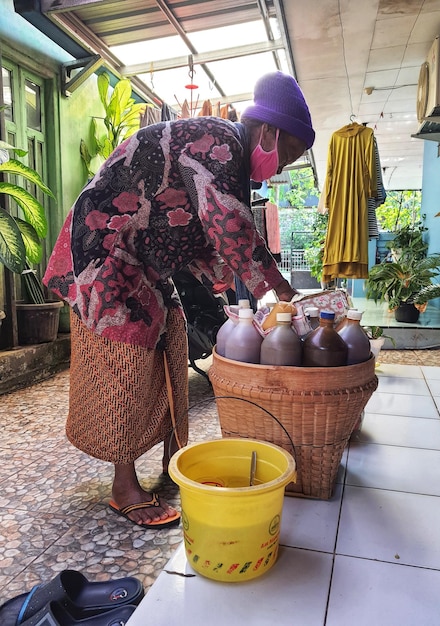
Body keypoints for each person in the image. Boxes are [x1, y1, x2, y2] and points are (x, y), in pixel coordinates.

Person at [43, 71, 315, 529]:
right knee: (124, 358)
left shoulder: (230, 157)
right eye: (287, 153)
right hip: (105, 251)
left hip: (144, 256)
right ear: (268, 131)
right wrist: (284, 293)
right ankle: (123, 486)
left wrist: (241, 293)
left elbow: (207, 232)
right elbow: (229, 226)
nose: (283, 167)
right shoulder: (221, 141)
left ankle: (174, 457)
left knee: (171, 339)